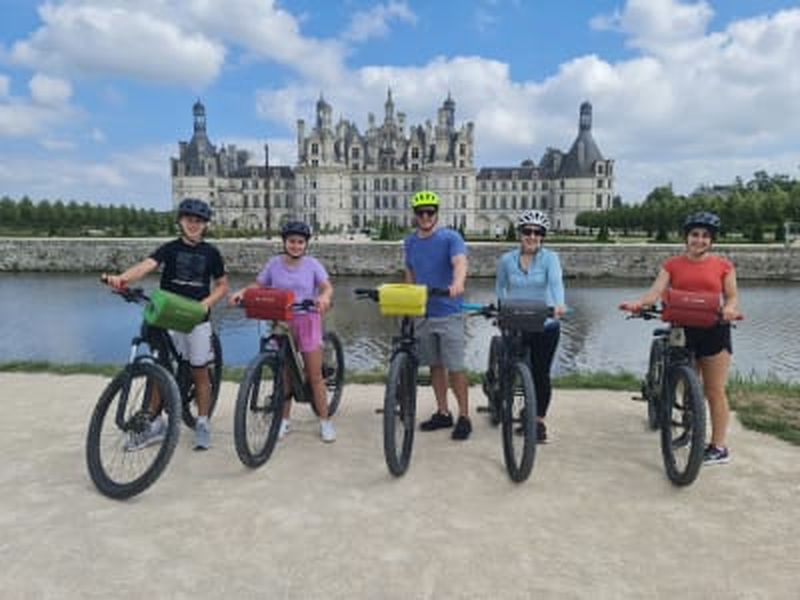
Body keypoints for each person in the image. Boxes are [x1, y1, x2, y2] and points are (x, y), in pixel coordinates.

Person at [105, 197, 229, 451]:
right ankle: (155, 424)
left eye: (199, 221)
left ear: (205, 225)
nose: (193, 225)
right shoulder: (169, 249)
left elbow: (223, 285)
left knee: (199, 370)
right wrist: (122, 279)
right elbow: (145, 267)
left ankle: (202, 422)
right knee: (160, 370)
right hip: (168, 316)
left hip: (195, 317)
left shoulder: (211, 253)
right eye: (189, 220)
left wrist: (206, 303)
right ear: (180, 222)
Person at [620, 211, 740, 465]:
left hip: (714, 330)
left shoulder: (723, 266)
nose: (699, 240)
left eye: (705, 236)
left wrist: (729, 309)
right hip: (682, 330)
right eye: (695, 235)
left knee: (715, 390)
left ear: (712, 240)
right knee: (687, 385)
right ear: (686, 237)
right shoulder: (672, 265)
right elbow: (655, 293)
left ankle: (718, 447)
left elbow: (731, 297)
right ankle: (689, 421)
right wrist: (639, 304)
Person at [229, 220, 336, 443]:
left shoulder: (312, 264)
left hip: (307, 320)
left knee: (314, 375)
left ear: (306, 244)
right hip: (281, 322)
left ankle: (325, 421)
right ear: (284, 242)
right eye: (291, 241)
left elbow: (326, 286)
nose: (295, 246)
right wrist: (242, 292)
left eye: (300, 242)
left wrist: (324, 297)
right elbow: (258, 285)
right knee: (284, 375)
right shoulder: (274, 264)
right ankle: (284, 420)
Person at [404, 190, 471, 440]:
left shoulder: (450, 237)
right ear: (415, 215)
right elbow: (410, 271)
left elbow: (460, 262)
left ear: (436, 214)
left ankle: (464, 416)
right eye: (420, 213)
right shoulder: (410, 242)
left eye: (429, 212)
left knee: (455, 367)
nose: (425, 216)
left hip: (448, 311)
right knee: (435, 365)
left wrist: (458, 283)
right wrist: (409, 299)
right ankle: (443, 412)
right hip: (424, 313)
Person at [495, 210, 567, 443]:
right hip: (515, 320)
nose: (532, 236)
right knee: (508, 367)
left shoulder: (550, 258)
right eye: (527, 231)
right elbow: (501, 288)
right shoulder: (506, 260)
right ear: (520, 234)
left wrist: (558, 304)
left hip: (544, 322)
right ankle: (502, 398)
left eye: (537, 233)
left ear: (543, 236)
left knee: (540, 373)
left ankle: (538, 421)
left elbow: (556, 283)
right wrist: (500, 308)